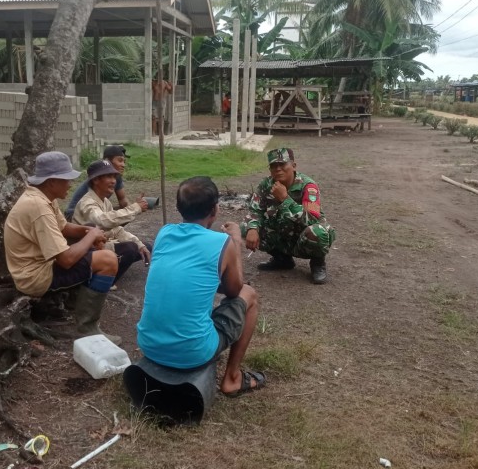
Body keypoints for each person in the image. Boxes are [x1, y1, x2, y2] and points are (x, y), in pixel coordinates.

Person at [136, 176, 265, 397]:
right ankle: (232, 378)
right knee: (249, 295)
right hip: (192, 353)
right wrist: (235, 240)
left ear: (179, 208)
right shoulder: (221, 243)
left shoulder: (164, 233)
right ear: (214, 210)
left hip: (149, 344)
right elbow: (235, 290)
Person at [4, 151, 122, 344]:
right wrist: (91, 235)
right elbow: (66, 260)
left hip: (38, 266)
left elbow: (65, 227)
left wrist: (89, 231)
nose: (70, 184)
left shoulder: (43, 198)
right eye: (66, 179)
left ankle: (75, 303)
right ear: (51, 181)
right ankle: (87, 329)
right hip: (34, 276)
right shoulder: (39, 208)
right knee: (107, 260)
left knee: (93, 246)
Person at [243, 148, 335, 284]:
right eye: (274, 166)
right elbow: (255, 211)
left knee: (318, 231)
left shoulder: (308, 186)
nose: (278, 169)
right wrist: (252, 229)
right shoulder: (266, 185)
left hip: (303, 237)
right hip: (282, 232)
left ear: (293, 166)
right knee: (245, 226)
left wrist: (285, 199)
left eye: (282, 164)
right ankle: (282, 260)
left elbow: (312, 219)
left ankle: (317, 262)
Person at [72, 160, 152, 285]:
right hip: (86, 252)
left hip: (101, 246)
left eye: (114, 176)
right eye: (109, 176)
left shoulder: (105, 201)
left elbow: (116, 229)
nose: (114, 181)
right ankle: (103, 281)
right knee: (130, 249)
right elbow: (101, 221)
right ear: (96, 180)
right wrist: (135, 208)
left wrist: (140, 244)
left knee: (144, 247)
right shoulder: (87, 203)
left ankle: (108, 269)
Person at [65, 145, 129, 220]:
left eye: (124, 161)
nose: (123, 165)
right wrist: (135, 209)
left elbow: (123, 201)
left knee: (119, 216)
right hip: (75, 213)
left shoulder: (116, 177)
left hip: (94, 210)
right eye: (120, 160)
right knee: (112, 219)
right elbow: (89, 205)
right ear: (107, 160)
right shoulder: (98, 177)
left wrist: (135, 208)